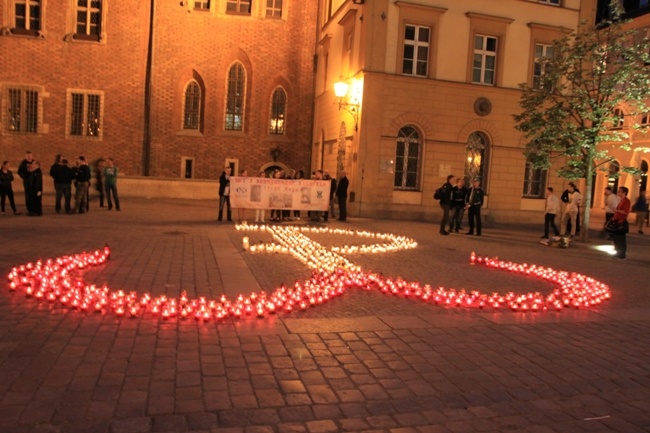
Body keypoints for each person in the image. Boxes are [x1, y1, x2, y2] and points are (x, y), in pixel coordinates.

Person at [611, 186, 631, 259]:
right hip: (617, 221)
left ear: (624, 193)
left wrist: (617, 211)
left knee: (621, 238)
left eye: (619, 191)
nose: (618, 192)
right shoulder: (621, 200)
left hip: (621, 221)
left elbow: (626, 212)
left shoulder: (626, 201)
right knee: (616, 238)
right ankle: (618, 252)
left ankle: (622, 253)